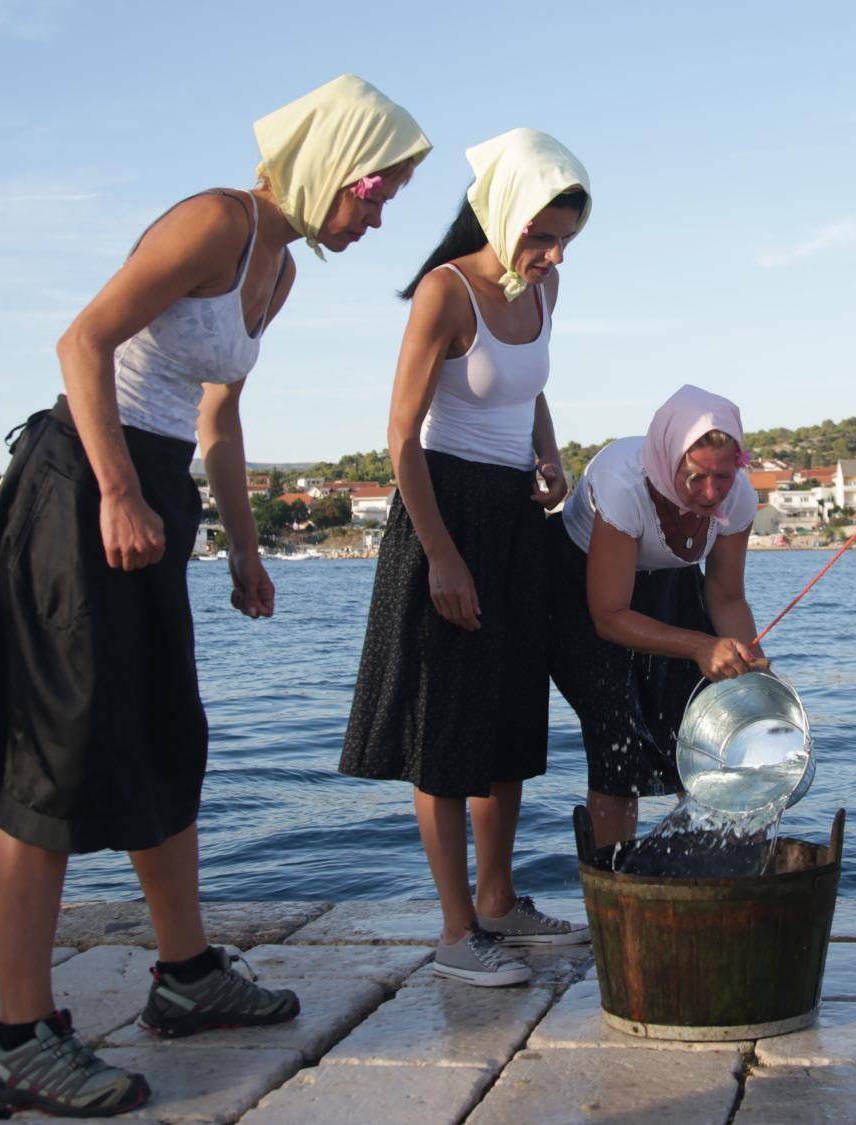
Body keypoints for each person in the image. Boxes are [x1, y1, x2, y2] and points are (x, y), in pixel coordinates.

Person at [0, 75, 431, 1116]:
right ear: (332, 165)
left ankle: (185, 979)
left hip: (153, 496)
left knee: (164, 735)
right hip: (80, 489)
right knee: (54, 758)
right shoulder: (212, 222)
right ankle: (17, 1039)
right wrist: (116, 492)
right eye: (376, 192)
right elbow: (81, 342)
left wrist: (241, 548)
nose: (378, 216)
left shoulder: (275, 270)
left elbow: (218, 423)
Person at [341, 129, 592, 987]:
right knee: (445, 728)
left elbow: (530, 382)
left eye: (563, 239)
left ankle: (498, 902)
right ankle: (456, 934)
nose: (553, 252)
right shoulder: (445, 294)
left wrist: (548, 455)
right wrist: (442, 558)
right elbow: (400, 441)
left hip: (514, 515)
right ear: (501, 210)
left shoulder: (544, 286)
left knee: (509, 720)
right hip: (442, 513)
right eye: (541, 233)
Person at [549, 385, 765, 847]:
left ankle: (702, 867)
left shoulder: (740, 495)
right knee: (616, 739)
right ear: (669, 463)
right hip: (581, 583)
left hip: (669, 579)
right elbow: (608, 615)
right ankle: (614, 882)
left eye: (723, 478)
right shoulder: (624, 484)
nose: (711, 494)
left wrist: (752, 670)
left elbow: (726, 597)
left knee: (695, 730)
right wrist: (700, 645)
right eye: (696, 479)